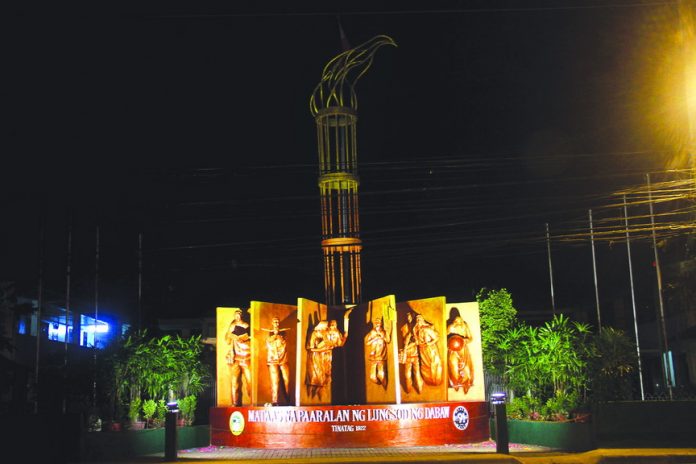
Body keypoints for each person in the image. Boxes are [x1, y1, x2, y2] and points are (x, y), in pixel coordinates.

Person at [225, 308, 251, 406]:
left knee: (250, 382)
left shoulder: (246, 325)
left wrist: (244, 339)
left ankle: (253, 402)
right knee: (234, 382)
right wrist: (230, 334)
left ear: (241, 316)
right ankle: (235, 403)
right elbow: (227, 340)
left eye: (239, 314)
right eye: (236, 315)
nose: (237, 316)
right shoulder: (232, 325)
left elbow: (251, 338)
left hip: (246, 357)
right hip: (236, 358)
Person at [263, 316, 291, 405]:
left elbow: (285, 344)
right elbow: (268, 344)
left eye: (278, 322)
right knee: (275, 381)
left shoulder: (283, 333)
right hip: (272, 360)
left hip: (283, 359)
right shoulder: (269, 334)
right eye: (275, 322)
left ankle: (288, 401)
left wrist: (279, 337)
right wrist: (274, 336)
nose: (276, 324)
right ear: (272, 323)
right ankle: (275, 401)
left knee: (287, 380)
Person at [413, 314, 443, 386]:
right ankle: (429, 381)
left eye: (419, 319)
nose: (418, 321)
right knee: (425, 366)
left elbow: (436, 338)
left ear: (422, 320)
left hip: (430, 349)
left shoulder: (427, 329)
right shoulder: (416, 330)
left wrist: (430, 343)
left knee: (434, 364)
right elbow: (417, 340)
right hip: (422, 350)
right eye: (417, 320)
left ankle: (436, 380)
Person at [447, 315, 474, 393]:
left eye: (460, 321)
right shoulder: (450, 327)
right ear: (454, 322)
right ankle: (455, 383)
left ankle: (467, 383)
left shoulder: (465, 326)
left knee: (467, 367)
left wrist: (465, 340)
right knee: (453, 367)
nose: (458, 323)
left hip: (463, 349)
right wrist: (451, 341)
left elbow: (470, 338)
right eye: (456, 321)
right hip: (453, 350)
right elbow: (444, 337)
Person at [400, 312, 424, 394]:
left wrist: (407, 347)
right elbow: (404, 341)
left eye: (410, 317)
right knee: (407, 375)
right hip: (407, 356)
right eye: (408, 317)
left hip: (415, 355)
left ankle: (419, 389)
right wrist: (406, 346)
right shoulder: (404, 327)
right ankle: (408, 389)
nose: (409, 319)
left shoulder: (417, 328)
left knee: (417, 373)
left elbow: (417, 341)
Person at [365, 318, 391, 386]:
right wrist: (374, 338)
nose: (377, 324)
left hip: (381, 356)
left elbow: (388, 340)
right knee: (372, 377)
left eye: (378, 322)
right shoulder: (372, 332)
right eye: (376, 322)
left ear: (381, 324)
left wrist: (384, 335)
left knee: (381, 374)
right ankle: (379, 383)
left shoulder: (383, 332)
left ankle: (385, 385)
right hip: (373, 357)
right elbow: (367, 343)